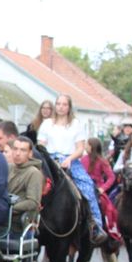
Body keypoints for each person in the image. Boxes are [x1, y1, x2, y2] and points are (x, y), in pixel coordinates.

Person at [37, 93, 105, 243]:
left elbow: (80, 148)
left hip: (70, 159)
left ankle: (95, 225)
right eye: (59, 104)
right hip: (49, 160)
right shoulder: (47, 123)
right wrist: (48, 157)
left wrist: (69, 159)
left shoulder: (75, 124)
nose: (61, 107)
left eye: (64, 104)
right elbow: (41, 144)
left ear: (69, 107)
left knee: (87, 186)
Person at [82, 136, 121, 242]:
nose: (85, 146)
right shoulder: (82, 159)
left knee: (105, 207)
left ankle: (100, 228)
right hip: (82, 187)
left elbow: (111, 177)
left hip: (96, 189)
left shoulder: (102, 161)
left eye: (87, 144)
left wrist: (102, 189)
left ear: (92, 146)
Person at [7, 136, 44, 229]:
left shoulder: (34, 173)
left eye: (23, 150)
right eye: (15, 149)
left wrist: (9, 208)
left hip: (18, 223)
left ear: (30, 153)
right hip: (3, 217)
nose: (17, 153)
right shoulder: (8, 168)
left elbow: (33, 202)